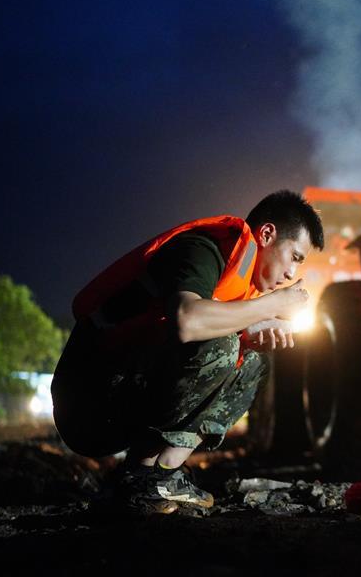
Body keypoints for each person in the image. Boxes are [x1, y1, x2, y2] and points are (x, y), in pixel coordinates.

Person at [52, 190, 324, 513]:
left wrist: (249, 333)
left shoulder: (243, 284)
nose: (292, 273)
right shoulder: (204, 249)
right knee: (222, 344)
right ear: (266, 234)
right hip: (88, 403)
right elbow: (187, 321)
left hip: (126, 390)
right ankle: (138, 476)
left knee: (253, 360)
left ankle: (160, 476)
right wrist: (272, 305)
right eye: (294, 256)